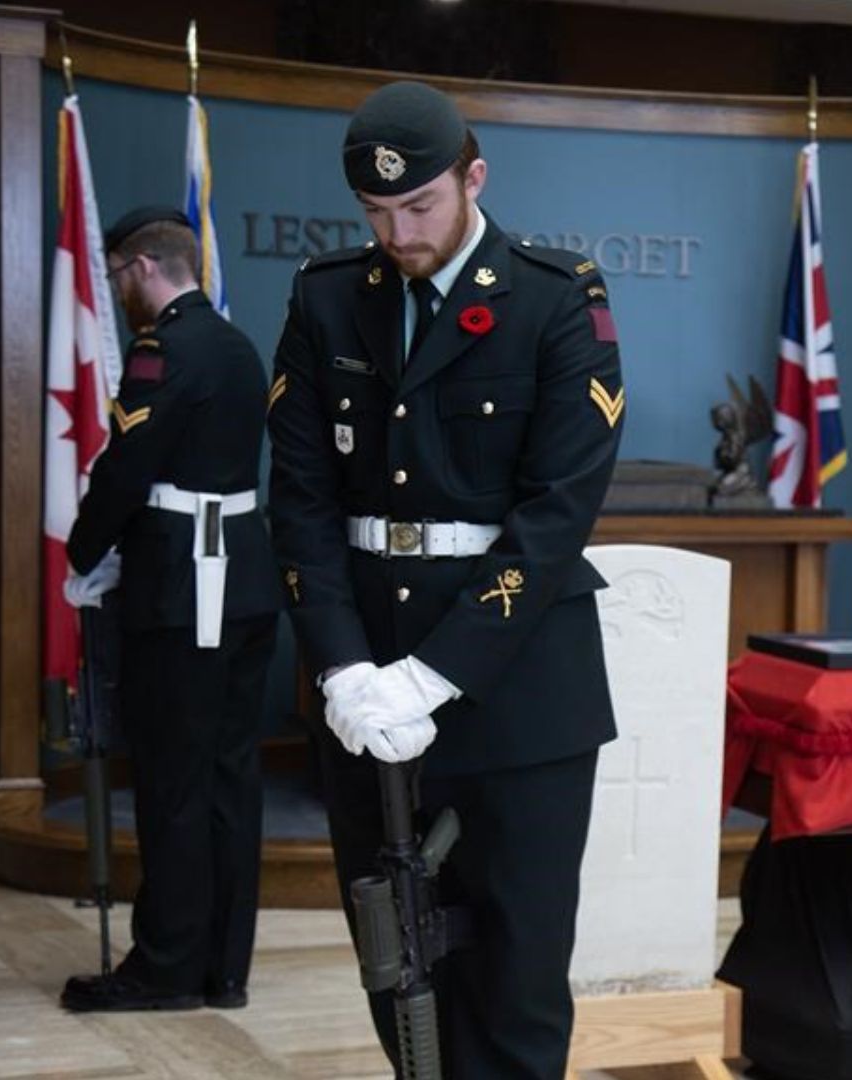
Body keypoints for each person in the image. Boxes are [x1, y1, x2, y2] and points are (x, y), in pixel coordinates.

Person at [266, 80, 626, 1078]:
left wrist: (433, 676)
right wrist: (345, 672)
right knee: (398, 962)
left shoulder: (559, 300)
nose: (399, 232)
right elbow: (301, 503)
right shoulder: (327, 296)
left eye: (418, 206)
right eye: (376, 214)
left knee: (513, 976)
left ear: (474, 178)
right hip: (366, 692)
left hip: (518, 697)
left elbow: (555, 518)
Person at [59, 207, 282, 1012]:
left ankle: (163, 968)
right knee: (229, 780)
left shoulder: (163, 349)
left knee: (172, 784)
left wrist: (84, 554)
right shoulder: (237, 343)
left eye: (118, 276)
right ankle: (223, 968)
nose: (119, 291)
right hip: (243, 579)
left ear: (144, 266)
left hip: (184, 590)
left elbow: (126, 468)